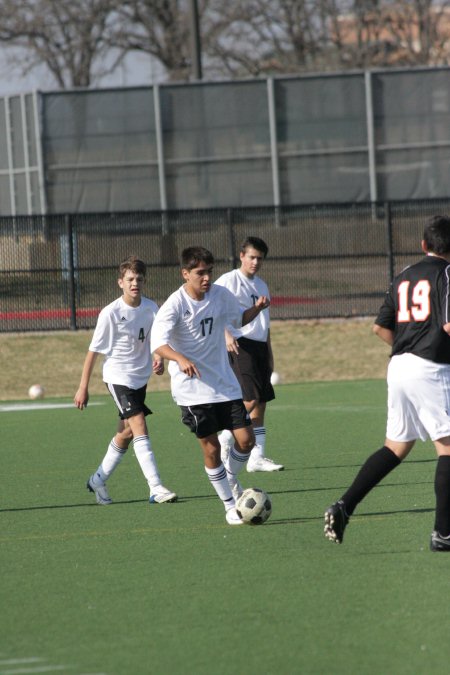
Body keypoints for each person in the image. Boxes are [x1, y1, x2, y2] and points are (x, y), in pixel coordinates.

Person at [324, 215, 450, 551]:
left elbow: (380, 328)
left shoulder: (403, 276)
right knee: (448, 448)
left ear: (424, 245)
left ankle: (344, 505)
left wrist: (408, 348)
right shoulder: (448, 275)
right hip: (432, 369)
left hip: (399, 366)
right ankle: (443, 533)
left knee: (396, 447)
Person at [150, 246, 270, 525]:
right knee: (212, 448)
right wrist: (178, 358)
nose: (206, 278)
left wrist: (257, 308)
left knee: (246, 440)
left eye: (209, 272)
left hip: (224, 384)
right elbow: (158, 342)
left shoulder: (220, 295)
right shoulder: (175, 304)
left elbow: (238, 318)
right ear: (185, 274)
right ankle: (230, 505)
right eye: (200, 273)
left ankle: (229, 477)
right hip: (192, 391)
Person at [74, 255, 177, 506]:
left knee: (127, 432)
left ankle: (98, 479)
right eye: (130, 279)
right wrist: (82, 387)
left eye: (139, 279)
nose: (135, 283)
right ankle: (156, 487)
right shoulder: (110, 313)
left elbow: (157, 340)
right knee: (139, 423)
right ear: (120, 282)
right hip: (117, 377)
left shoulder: (152, 308)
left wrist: (159, 358)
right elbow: (93, 352)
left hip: (140, 378)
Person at [215, 236, 284, 472]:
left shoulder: (262, 285)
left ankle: (257, 458)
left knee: (261, 403)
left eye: (260, 258)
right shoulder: (228, 281)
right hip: (239, 344)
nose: (255, 262)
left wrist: (270, 352)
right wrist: (225, 334)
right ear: (242, 256)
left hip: (260, 346)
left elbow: (265, 322)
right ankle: (225, 439)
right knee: (250, 399)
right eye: (251, 257)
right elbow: (214, 310)